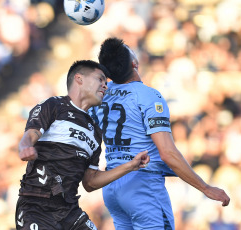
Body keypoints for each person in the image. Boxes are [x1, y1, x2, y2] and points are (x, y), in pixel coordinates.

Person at [91, 38, 230, 229]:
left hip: (112, 184)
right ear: (134, 63)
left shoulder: (101, 96)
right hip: (142, 186)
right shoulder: (148, 95)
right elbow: (167, 152)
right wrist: (205, 188)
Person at [15, 60, 149, 230]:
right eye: (100, 79)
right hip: (36, 207)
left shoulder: (95, 131)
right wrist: (25, 147)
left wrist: (130, 166)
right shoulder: (53, 106)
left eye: (106, 82)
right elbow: (30, 135)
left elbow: (90, 182)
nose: (105, 86)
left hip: (70, 213)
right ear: (79, 79)